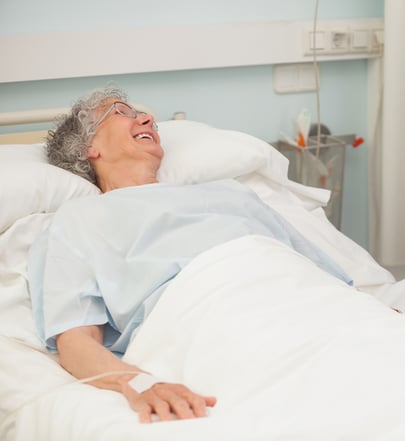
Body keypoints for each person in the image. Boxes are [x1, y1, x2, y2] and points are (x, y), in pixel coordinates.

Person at [27, 87, 351, 422]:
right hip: (210, 312)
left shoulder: (231, 192)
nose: (148, 119)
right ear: (88, 147)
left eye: (142, 114)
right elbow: (76, 340)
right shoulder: (79, 219)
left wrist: (365, 305)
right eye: (121, 112)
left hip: (300, 295)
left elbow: (315, 271)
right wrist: (138, 382)